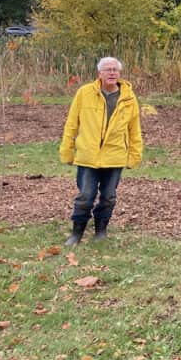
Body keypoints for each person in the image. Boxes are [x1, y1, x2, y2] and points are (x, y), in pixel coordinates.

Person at [58, 57, 143, 245]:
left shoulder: (128, 98)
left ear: (119, 74)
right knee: (85, 195)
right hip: (88, 156)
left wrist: (135, 155)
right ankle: (76, 233)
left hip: (115, 156)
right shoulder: (84, 93)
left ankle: (101, 231)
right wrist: (67, 150)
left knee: (109, 196)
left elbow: (134, 129)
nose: (112, 73)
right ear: (100, 74)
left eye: (115, 70)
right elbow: (72, 124)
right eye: (107, 70)